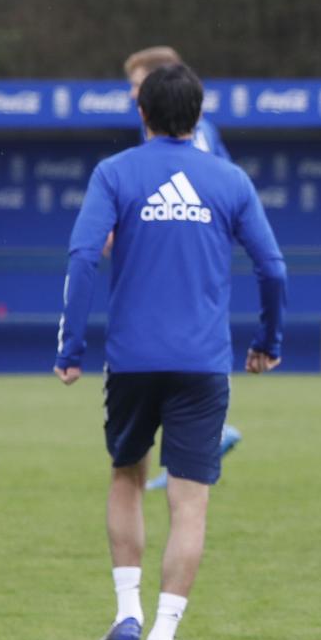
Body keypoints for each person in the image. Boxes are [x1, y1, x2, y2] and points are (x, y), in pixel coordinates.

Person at [55, 61, 287, 640]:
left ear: (142, 113)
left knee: (127, 475)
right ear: (199, 114)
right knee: (189, 501)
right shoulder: (229, 179)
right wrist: (269, 340)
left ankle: (126, 609)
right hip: (203, 365)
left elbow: (83, 256)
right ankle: (163, 634)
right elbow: (273, 269)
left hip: (130, 362)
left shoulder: (114, 172)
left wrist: (70, 346)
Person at [121, 46, 242, 488]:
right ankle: (191, 446)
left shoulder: (184, 133)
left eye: (136, 86)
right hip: (192, 253)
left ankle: (211, 431)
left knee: (175, 341)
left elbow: (202, 182)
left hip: (188, 255)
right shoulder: (182, 129)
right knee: (179, 342)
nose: (132, 96)